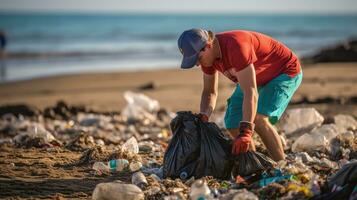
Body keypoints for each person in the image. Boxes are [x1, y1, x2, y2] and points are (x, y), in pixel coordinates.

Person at [177, 29, 302, 161]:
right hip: (255, 77)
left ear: (208, 46)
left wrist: (246, 131)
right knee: (233, 122)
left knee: (258, 119)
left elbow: (250, 91)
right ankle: (253, 163)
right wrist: (204, 116)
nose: (197, 64)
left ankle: (281, 167)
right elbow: (210, 92)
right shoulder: (208, 58)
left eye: (198, 58)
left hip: (284, 72)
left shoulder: (236, 47)